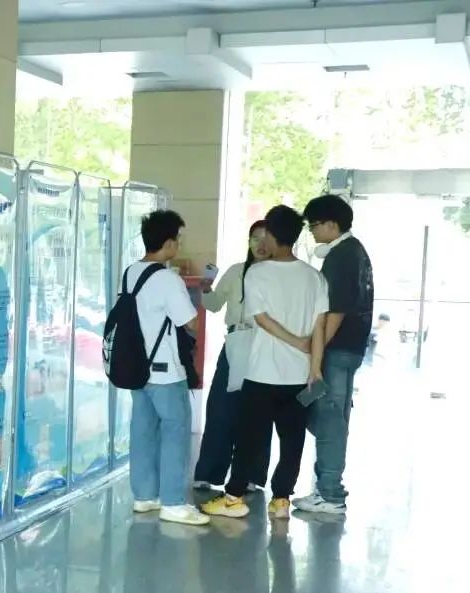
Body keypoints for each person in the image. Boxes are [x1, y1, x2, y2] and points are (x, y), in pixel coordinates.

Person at [202, 205, 328, 520]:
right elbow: (320, 326)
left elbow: (262, 319)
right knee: (292, 439)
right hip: (299, 374)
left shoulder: (257, 273)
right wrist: (314, 366)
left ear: (272, 235)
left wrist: (295, 342)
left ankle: (233, 498)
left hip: (262, 373)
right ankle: (281, 499)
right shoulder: (314, 277)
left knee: (250, 438)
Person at [126, 210, 210, 526]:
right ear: (169, 242)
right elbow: (190, 322)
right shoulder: (167, 279)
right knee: (176, 430)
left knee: (143, 431)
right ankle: (173, 502)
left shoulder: (130, 272)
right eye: (178, 239)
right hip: (165, 370)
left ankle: (144, 496)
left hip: (136, 367)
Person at [294, 195, 374, 515]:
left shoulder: (340, 257)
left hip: (337, 348)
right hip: (351, 348)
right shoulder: (355, 251)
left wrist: (317, 350)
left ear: (331, 224)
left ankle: (330, 493)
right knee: (333, 416)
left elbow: (335, 311)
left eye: (314, 225)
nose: (312, 231)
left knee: (329, 419)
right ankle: (327, 488)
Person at [193, 221, 272, 492]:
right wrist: (206, 289)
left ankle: (250, 475)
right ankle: (208, 472)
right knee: (221, 409)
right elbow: (214, 305)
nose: (261, 245)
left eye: (266, 239)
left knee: (258, 412)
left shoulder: (279, 275)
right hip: (235, 341)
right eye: (255, 238)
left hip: (265, 344)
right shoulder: (236, 271)